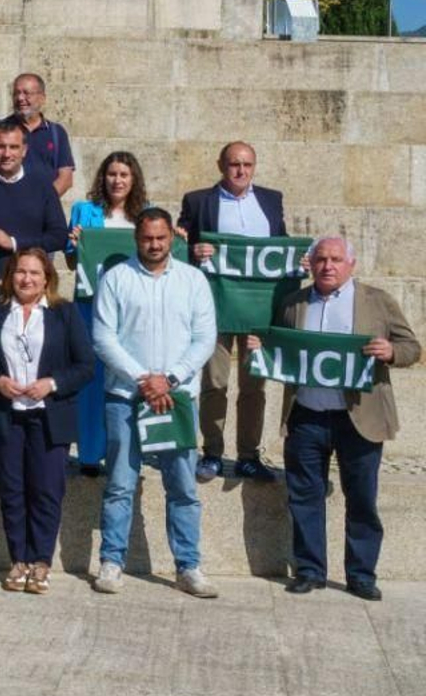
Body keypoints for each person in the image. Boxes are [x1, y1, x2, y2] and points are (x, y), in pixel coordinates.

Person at [249, 236, 419, 600]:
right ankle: (310, 571)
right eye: (321, 259)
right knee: (304, 497)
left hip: (359, 418)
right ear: (310, 264)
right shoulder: (294, 303)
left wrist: (391, 352)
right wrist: (261, 349)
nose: (328, 266)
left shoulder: (377, 301)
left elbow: (412, 347)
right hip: (307, 416)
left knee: (361, 499)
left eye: (336, 259)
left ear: (351, 264)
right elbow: (281, 349)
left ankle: (361, 574)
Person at [91, 207, 219, 599]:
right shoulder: (116, 278)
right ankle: (112, 562)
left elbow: (204, 338)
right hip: (126, 397)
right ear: (136, 239)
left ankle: (188, 566)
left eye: (161, 238)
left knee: (182, 484)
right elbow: (103, 338)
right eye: (147, 238)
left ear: (173, 239)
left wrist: (172, 378)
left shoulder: (194, 281)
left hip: (177, 398)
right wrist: (144, 379)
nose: (154, 244)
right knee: (119, 483)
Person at [0, 249, 94, 594]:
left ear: (47, 278)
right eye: (21, 272)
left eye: (35, 273)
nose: (27, 279)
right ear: (11, 275)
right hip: (5, 415)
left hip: (48, 416)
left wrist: (51, 384)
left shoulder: (63, 313)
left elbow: (85, 366)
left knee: (46, 491)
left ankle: (40, 562)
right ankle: (18, 561)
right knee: (12, 491)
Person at [177, 140, 289, 483]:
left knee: (254, 385)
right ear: (220, 165)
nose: (241, 171)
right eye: (234, 165)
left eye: (247, 165)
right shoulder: (198, 201)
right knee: (214, 381)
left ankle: (248, 455)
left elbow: (280, 246)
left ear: (254, 166)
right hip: (216, 306)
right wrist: (194, 249)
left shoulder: (271, 199)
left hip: (258, 309)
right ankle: (211, 452)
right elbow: (180, 246)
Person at [66, 151, 148, 476]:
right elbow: (74, 263)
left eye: (124, 175)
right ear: (103, 177)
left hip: (131, 312)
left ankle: (128, 455)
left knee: (131, 378)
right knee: (92, 379)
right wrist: (74, 243)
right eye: (112, 174)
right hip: (90, 306)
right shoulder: (84, 212)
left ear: (133, 180)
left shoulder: (145, 216)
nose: (117, 180)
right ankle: (89, 453)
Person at [0, 120, 70, 272]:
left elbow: (59, 237)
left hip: (30, 281)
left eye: (14, 147)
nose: (7, 154)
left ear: (24, 150)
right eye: (0, 147)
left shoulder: (43, 187)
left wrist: (14, 243)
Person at [0, 73, 76, 196]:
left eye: (26, 93)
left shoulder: (56, 133)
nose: (20, 98)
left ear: (42, 98)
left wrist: (43, 203)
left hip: (44, 209)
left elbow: (66, 178)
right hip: (5, 206)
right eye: (16, 93)